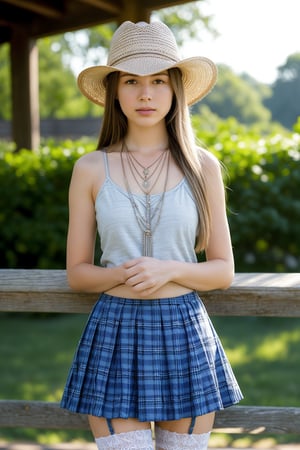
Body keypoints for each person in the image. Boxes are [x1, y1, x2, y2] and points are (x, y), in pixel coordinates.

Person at [60, 20, 243, 450]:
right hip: (114, 333)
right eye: (132, 81)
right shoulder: (90, 168)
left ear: (175, 88)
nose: (146, 94)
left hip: (185, 330)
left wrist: (167, 270)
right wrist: (127, 275)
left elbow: (223, 270)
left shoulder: (204, 166)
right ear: (114, 91)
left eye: (158, 81)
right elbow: (78, 274)